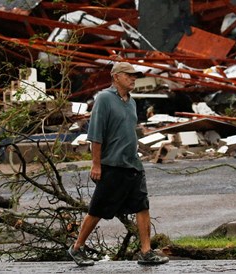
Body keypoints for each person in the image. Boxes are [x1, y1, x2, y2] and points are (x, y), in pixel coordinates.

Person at [68, 62, 169, 266]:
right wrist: (96, 165)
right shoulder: (104, 99)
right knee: (97, 209)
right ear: (116, 77)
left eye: (135, 76)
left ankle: (146, 251)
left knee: (142, 206)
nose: (133, 79)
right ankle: (77, 247)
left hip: (133, 164)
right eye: (129, 75)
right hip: (112, 165)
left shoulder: (131, 102)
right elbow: (96, 134)